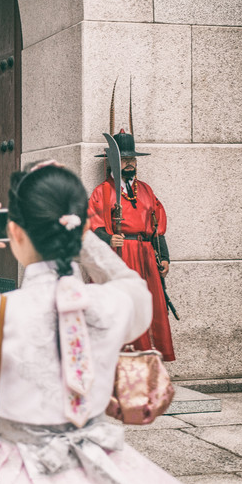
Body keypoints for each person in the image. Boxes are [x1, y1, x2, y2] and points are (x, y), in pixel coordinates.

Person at [0, 162, 182, 484]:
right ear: (77, 226)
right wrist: (87, 242)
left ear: (15, 232)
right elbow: (134, 286)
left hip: (17, 471)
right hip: (100, 466)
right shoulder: (112, 305)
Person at [88, 130, 175, 361]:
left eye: (132, 160)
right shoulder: (102, 192)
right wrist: (108, 238)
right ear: (112, 163)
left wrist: (163, 256)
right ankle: (119, 360)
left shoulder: (146, 190)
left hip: (145, 255)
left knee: (148, 306)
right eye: (124, 160)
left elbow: (157, 226)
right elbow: (92, 223)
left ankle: (147, 360)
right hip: (119, 255)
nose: (129, 164)